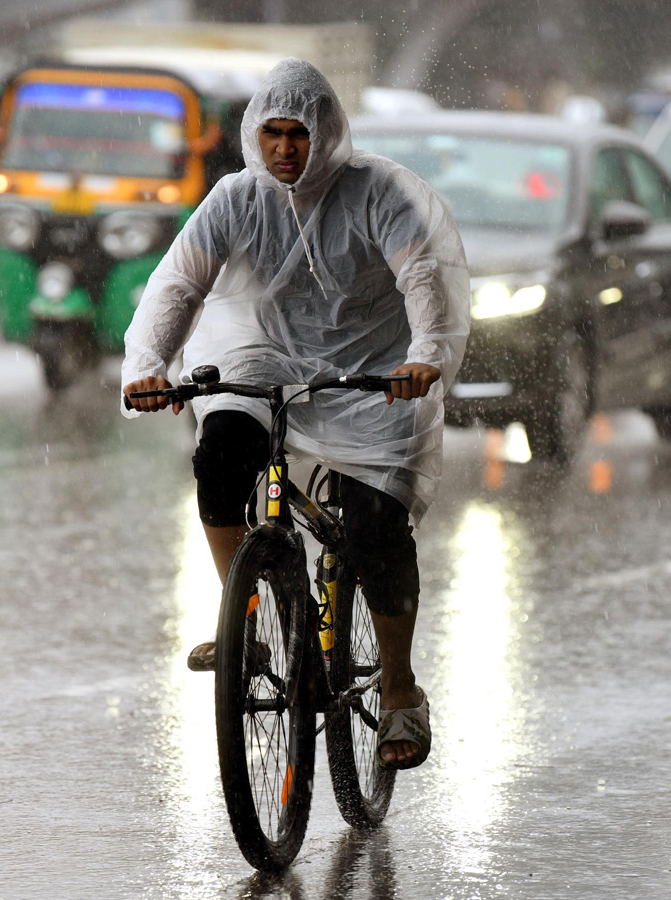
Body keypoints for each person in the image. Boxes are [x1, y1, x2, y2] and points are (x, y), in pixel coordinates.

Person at [122, 58, 469, 770]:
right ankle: (242, 617)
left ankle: (400, 692)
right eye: (273, 133)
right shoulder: (235, 199)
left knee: (376, 530)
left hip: (373, 372)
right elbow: (178, 285)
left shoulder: (379, 194)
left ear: (328, 133)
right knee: (219, 456)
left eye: (299, 134)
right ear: (255, 134)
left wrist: (426, 355)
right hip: (264, 356)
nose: (285, 148)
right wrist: (148, 367)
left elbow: (423, 278)